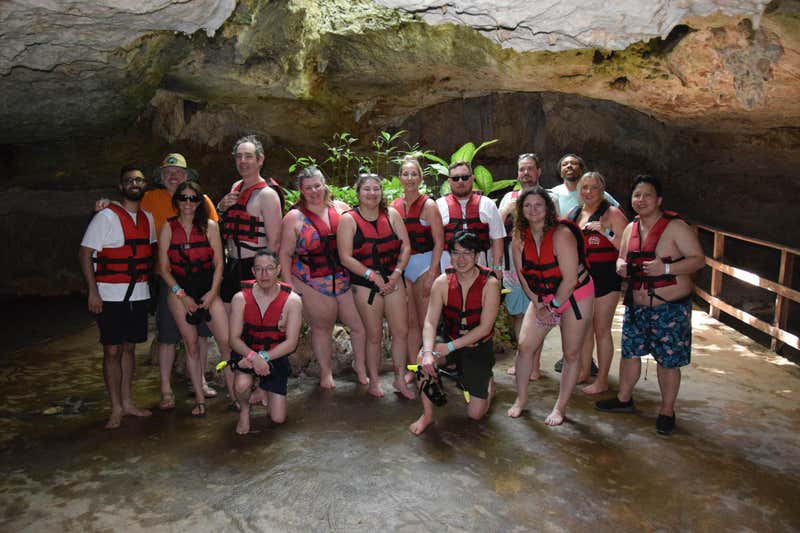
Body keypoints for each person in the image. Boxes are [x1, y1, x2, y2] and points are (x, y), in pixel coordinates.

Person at [95, 153, 222, 409]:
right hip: (169, 277)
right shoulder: (151, 199)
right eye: (168, 173)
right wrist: (106, 204)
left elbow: (214, 236)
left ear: (187, 176)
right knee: (166, 335)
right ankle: (166, 390)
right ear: (162, 177)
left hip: (201, 280)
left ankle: (199, 381)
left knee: (201, 337)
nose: (173, 177)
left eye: (178, 173)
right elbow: (126, 208)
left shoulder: (203, 200)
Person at [595, 175, 704, 436]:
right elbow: (622, 258)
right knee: (630, 354)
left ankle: (667, 410)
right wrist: (620, 266)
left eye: (647, 195)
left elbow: (698, 260)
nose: (641, 200)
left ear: (659, 200)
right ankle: (624, 398)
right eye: (636, 195)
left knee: (668, 361)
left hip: (670, 307)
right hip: (637, 304)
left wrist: (666, 267)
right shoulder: (631, 229)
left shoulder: (676, 227)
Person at [506, 187, 595, 425]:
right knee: (525, 347)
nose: (533, 210)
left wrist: (554, 308)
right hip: (542, 296)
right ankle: (521, 398)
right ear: (521, 211)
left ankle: (560, 408)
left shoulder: (561, 234)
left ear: (548, 209)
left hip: (576, 295)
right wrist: (537, 303)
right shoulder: (518, 239)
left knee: (571, 353)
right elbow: (524, 277)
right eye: (527, 206)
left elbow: (569, 279)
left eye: (538, 205)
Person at [79, 164, 155, 429]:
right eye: (129, 180)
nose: (135, 183)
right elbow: (86, 253)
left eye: (139, 180)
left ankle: (127, 402)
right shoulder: (106, 217)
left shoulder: (148, 218)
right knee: (112, 350)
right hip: (110, 295)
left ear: (144, 185)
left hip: (139, 293)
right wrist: (93, 291)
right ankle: (115, 408)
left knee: (130, 348)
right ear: (122, 187)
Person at [279, 166, 368, 389]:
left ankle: (361, 366)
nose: (314, 191)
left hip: (342, 277)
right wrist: (290, 288)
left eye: (317, 185)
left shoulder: (341, 209)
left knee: (358, 324)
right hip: (311, 280)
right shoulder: (293, 217)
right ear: (301, 190)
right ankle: (326, 373)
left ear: (325, 185)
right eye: (308, 188)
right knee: (322, 326)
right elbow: (285, 254)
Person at [409, 230, 501, 436]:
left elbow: (485, 328)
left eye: (467, 253)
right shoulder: (442, 282)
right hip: (450, 339)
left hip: (477, 347)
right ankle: (427, 415)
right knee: (422, 359)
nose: (461, 259)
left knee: (476, 414)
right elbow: (430, 322)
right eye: (456, 253)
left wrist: (448, 348)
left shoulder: (490, 284)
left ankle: (488, 385)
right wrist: (427, 353)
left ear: (477, 256)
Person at [157, 181, 231, 417]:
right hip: (180, 293)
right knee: (190, 345)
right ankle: (199, 400)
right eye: (183, 198)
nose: (188, 203)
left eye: (193, 198)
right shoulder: (168, 228)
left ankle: (234, 394)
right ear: (177, 201)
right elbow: (163, 269)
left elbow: (220, 264)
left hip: (207, 291)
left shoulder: (210, 227)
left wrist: (212, 293)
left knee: (226, 344)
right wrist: (182, 296)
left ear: (199, 202)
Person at [339, 173, 413, 399]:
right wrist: (372, 275)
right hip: (365, 284)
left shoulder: (392, 215)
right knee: (374, 335)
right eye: (367, 189)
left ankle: (400, 379)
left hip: (394, 279)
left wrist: (396, 274)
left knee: (401, 331)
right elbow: (345, 257)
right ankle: (374, 381)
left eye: (376, 189)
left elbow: (406, 247)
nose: (372, 193)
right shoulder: (348, 219)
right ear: (358, 192)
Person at [566, 172, 629, 393]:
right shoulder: (573, 214)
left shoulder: (612, 214)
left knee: (602, 329)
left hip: (606, 278)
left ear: (602, 190)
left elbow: (627, 246)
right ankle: (584, 371)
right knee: (584, 329)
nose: (589, 192)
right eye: (585, 188)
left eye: (593, 188)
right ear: (579, 190)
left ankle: (602, 379)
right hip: (581, 280)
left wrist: (606, 231)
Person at [228, 250, 302, 434]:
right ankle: (245, 411)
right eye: (259, 269)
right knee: (242, 385)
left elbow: (291, 343)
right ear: (252, 271)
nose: (264, 274)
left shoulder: (292, 301)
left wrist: (263, 357)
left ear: (278, 269)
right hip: (248, 351)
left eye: (269, 269)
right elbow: (234, 339)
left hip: (275, 354)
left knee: (278, 418)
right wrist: (253, 357)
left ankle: (263, 388)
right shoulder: (240, 298)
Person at [391, 156, 444, 380]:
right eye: (405, 174)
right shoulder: (394, 205)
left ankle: (428, 365)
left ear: (421, 178)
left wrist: (433, 273)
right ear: (399, 178)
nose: (410, 178)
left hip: (424, 265)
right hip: (404, 269)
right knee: (410, 322)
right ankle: (414, 367)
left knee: (425, 322)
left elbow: (440, 242)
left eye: (414, 174)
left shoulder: (429, 205)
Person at [216, 135, 283, 305]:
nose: (243, 161)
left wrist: (265, 273)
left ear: (260, 160)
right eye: (239, 156)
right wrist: (221, 207)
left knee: (251, 323)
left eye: (248, 156)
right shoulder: (235, 187)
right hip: (231, 264)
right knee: (229, 319)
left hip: (253, 267)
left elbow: (274, 242)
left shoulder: (268, 195)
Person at [499, 153, 543, 380]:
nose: (526, 173)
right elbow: (496, 226)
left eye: (530, 169)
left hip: (539, 263)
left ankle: (534, 366)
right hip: (511, 265)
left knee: (537, 312)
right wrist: (507, 209)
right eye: (522, 169)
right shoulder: (509, 196)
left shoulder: (548, 198)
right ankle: (521, 360)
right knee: (518, 314)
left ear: (538, 172)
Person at [436, 161, 505, 277]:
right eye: (455, 178)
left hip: (482, 271)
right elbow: (435, 243)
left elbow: (497, 239)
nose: (460, 181)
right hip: (447, 271)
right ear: (449, 181)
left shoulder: (487, 204)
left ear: (472, 179)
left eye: (465, 177)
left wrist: (497, 269)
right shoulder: (438, 206)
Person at [549, 154, 618, 217]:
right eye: (564, 164)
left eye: (574, 163)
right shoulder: (552, 194)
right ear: (560, 173)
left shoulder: (594, 193)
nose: (569, 166)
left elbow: (619, 213)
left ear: (581, 171)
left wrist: (606, 229)